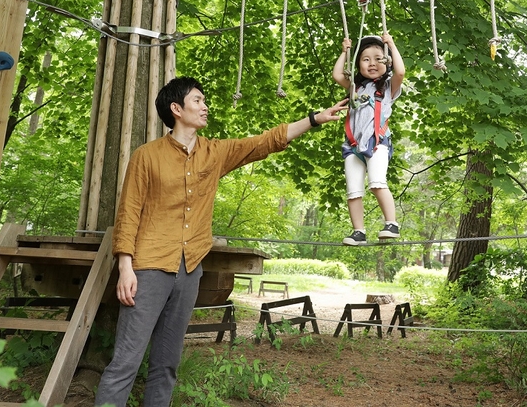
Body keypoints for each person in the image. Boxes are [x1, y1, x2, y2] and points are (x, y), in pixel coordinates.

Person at [94, 76, 347, 407]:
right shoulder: (146, 156)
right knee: (125, 363)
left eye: (204, 100)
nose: (205, 106)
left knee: (166, 365)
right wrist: (125, 267)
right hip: (148, 269)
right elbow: (128, 214)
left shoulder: (214, 152)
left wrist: (313, 119)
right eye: (197, 100)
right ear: (176, 109)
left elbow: (264, 142)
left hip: (190, 270)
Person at [331, 32, 405, 246]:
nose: (372, 63)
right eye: (365, 59)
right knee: (353, 190)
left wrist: (391, 44)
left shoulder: (388, 88)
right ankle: (358, 231)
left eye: (378, 58)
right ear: (359, 65)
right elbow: (338, 75)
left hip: (377, 143)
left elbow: (400, 71)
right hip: (353, 145)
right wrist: (345, 52)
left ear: (386, 61)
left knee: (376, 182)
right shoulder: (356, 88)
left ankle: (391, 223)